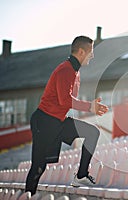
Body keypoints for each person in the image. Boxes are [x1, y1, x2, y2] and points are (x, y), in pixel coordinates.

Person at [25, 36, 109, 195]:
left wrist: (90, 106)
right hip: (44, 121)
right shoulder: (66, 69)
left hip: (58, 121)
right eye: (91, 52)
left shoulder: (76, 72)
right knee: (38, 167)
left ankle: (81, 175)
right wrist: (89, 106)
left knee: (92, 132)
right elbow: (65, 100)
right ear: (81, 51)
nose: (92, 56)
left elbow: (66, 101)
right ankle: (28, 195)